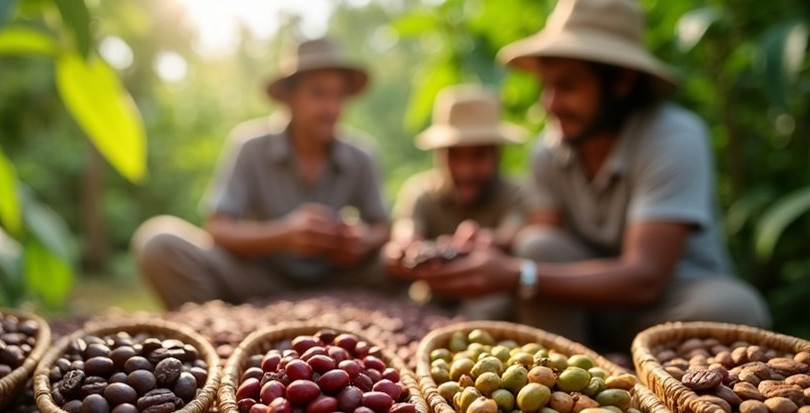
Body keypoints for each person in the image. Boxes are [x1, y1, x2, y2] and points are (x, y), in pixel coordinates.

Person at [413, 0, 769, 348]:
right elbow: (543, 237)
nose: (550, 104)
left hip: (666, 307)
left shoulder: (672, 138)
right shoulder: (549, 152)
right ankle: (569, 383)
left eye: (567, 86)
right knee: (537, 245)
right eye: (547, 87)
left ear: (622, 81)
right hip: (589, 305)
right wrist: (493, 244)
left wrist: (517, 274)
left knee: (731, 308)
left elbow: (646, 277)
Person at [132, 38, 391, 309]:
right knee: (159, 243)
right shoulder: (249, 146)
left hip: (337, 281)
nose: (331, 108)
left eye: (338, 96)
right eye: (318, 94)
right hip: (259, 280)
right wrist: (284, 234)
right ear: (289, 98)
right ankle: (217, 327)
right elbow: (218, 229)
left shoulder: (362, 154)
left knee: (397, 261)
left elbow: (383, 228)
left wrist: (359, 240)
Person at [384, 85, 529, 319]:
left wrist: (489, 240)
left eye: (478, 156)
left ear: (497, 154)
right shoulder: (421, 192)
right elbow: (406, 229)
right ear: (440, 155)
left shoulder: (514, 193)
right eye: (456, 156)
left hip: (490, 299)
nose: (466, 170)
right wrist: (406, 247)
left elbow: (516, 231)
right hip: (432, 298)